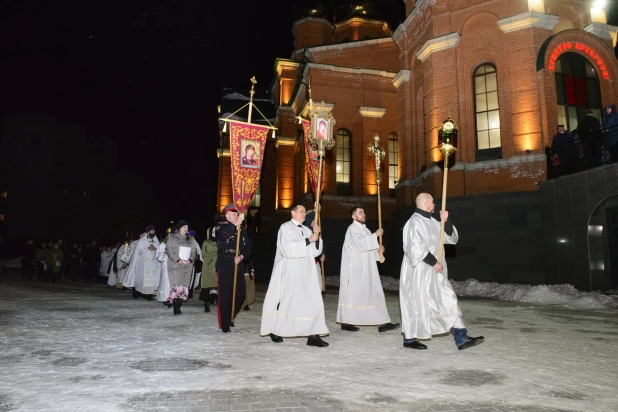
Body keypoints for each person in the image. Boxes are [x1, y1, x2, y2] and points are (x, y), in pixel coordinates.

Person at [400, 193, 484, 351]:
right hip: (419, 272)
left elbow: (451, 239)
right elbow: (415, 247)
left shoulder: (432, 221)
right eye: (432, 202)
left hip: (435, 271)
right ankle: (410, 339)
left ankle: (461, 337)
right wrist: (433, 262)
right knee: (416, 304)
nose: (434, 205)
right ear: (425, 204)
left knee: (446, 300)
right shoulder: (414, 222)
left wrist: (447, 221)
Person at [260, 203, 329, 347]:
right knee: (287, 300)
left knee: (311, 301)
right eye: (302, 211)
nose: (304, 214)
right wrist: (309, 239)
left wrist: (317, 235)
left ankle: (313, 335)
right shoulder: (285, 228)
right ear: (293, 213)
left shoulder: (306, 229)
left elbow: (315, 252)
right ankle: (276, 330)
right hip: (290, 271)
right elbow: (287, 248)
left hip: (306, 272)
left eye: (304, 211)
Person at [337, 207, 400, 333]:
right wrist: (375, 236)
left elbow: (369, 247)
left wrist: (378, 251)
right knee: (353, 295)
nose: (363, 214)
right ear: (353, 217)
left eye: (364, 212)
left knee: (374, 292)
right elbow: (360, 245)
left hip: (368, 268)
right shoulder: (352, 229)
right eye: (360, 213)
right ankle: (346, 321)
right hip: (355, 269)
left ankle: (382, 322)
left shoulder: (365, 230)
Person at [215, 204, 252, 333]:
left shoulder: (242, 230)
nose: (236, 216)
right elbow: (223, 236)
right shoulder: (221, 227)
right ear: (227, 215)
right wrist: (235, 226)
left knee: (240, 293)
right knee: (225, 294)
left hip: (238, 263)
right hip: (225, 262)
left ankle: (230, 315)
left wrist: (241, 256)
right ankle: (225, 323)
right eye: (233, 214)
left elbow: (248, 248)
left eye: (237, 214)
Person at [165, 220, 197, 315]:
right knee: (176, 286)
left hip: (186, 266)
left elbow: (194, 250)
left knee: (183, 286)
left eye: (187, 227)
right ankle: (175, 307)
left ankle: (179, 305)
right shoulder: (172, 238)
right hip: (176, 266)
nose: (186, 229)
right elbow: (169, 250)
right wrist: (177, 259)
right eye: (184, 227)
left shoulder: (190, 238)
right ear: (179, 228)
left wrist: (190, 260)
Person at [125, 225, 160, 300]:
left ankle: (149, 295)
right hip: (143, 263)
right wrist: (148, 248)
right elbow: (139, 251)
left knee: (152, 278)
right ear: (148, 231)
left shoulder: (155, 239)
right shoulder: (142, 241)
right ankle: (139, 293)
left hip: (152, 263)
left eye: (154, 231)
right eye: (152, 231)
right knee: (142, 279)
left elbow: (158, 247)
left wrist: (155, 248)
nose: (154, 232)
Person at [303, 203, 326, 292]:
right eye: (318, 206)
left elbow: (320, 238)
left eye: (320, 206)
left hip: (316, 254)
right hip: (308, 255)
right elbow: (308, 231)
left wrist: (323, 252)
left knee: (317, 283)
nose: (320, 207)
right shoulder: (310, 216)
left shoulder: (318, 217)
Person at [199, 227, 218, 313]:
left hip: (218, 265)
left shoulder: (221, 241)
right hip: (208, 265)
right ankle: (206, 305)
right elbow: (203, 254)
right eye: (213, 231)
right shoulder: (206, 242)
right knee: (207, 285)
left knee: (218, 284)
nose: (214, 233)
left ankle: (218, 301)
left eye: (216, 231)